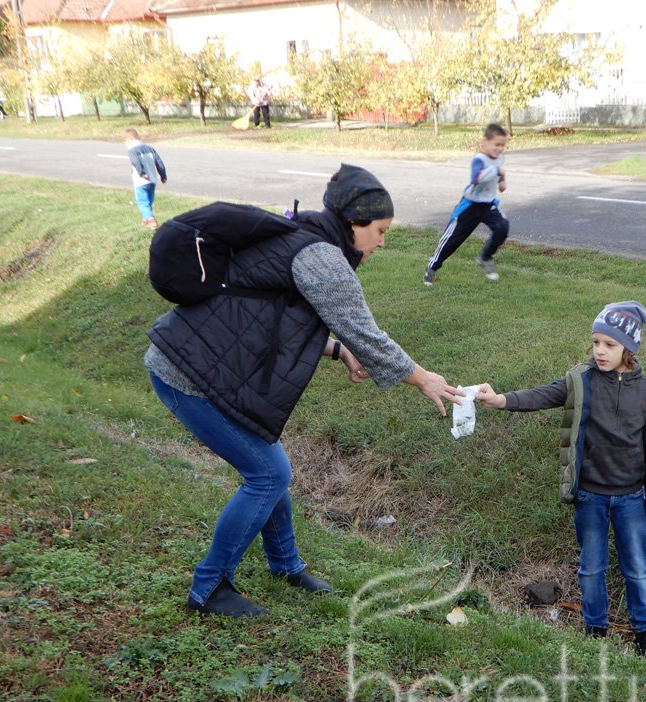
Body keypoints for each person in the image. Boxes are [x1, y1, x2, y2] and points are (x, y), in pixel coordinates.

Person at [144, 164, 464, 618]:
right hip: (189, 374)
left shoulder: (307, 235)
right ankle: (209, 588)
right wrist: (424, 378)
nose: (382, 241)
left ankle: (285, 566)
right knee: (268, 474)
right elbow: (367, 334)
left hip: (209, 366)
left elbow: (270, 314)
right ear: (353, 223)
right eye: (379, 230)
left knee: (272, 467)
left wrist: (335, 350)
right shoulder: (322, 258)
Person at [474, 301, 646, 657]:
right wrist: (500, 400)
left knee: (637, 569)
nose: (600, 351)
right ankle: (595, 632)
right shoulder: (581, 382)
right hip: (590, 496)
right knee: (591, 568)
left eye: (609, 344)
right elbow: (543, 395)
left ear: (628, 349)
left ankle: (645, 635)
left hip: (631, 498)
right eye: (596, 342)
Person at [423, 123, 509, 286]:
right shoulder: (478, 160)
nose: (500, 149)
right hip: (470, 206)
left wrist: (502, 180)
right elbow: (476, 178)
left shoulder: (499, 158)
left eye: (503, 145)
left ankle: (485, 258)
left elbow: (498, 172)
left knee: (502, 227)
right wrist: (497, 172)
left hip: (488, 205)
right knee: (452, 241)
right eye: (497, 144)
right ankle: (432, 267)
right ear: (485, 141)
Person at [123, 128, 167, 230]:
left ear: (130, 140)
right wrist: (163, 175)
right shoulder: (150, 148)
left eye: (125, 142)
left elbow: (135, 162)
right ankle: (146, 219)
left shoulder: (132, 151)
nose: (126, 145)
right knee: (148, 201)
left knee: (142, 202)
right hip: (152, 180)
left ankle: (151, 222)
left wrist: (142, 173)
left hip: (141, 180)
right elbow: (159, 162)